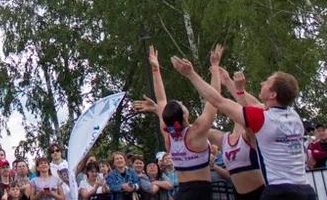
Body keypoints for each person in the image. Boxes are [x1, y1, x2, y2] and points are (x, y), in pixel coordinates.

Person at [170, 54, 317, 200]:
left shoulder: (262, 118)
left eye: (266, 82)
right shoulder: (294, 116)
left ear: (272, 94)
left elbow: (218, 101)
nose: (262, 83)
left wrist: (191, 74)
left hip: (280, 192)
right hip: (306, 189)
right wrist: (229, 82)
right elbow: (253, 104)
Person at [133, 46, 225, 200]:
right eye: (182, 104)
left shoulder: (169, 135)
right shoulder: (196, 132)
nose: (183, 103)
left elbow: (161, 100)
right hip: (200, 193)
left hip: (182, 191)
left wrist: (156, 69)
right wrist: (215, 68)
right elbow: (214, 99)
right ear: (184, 115)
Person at [215, 70, 265, 200]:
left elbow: (249, 105)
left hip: (262, 190)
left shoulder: (264, 112)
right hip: (240, 194)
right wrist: (226, 80)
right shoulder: (226, 137)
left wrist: (229, 83)